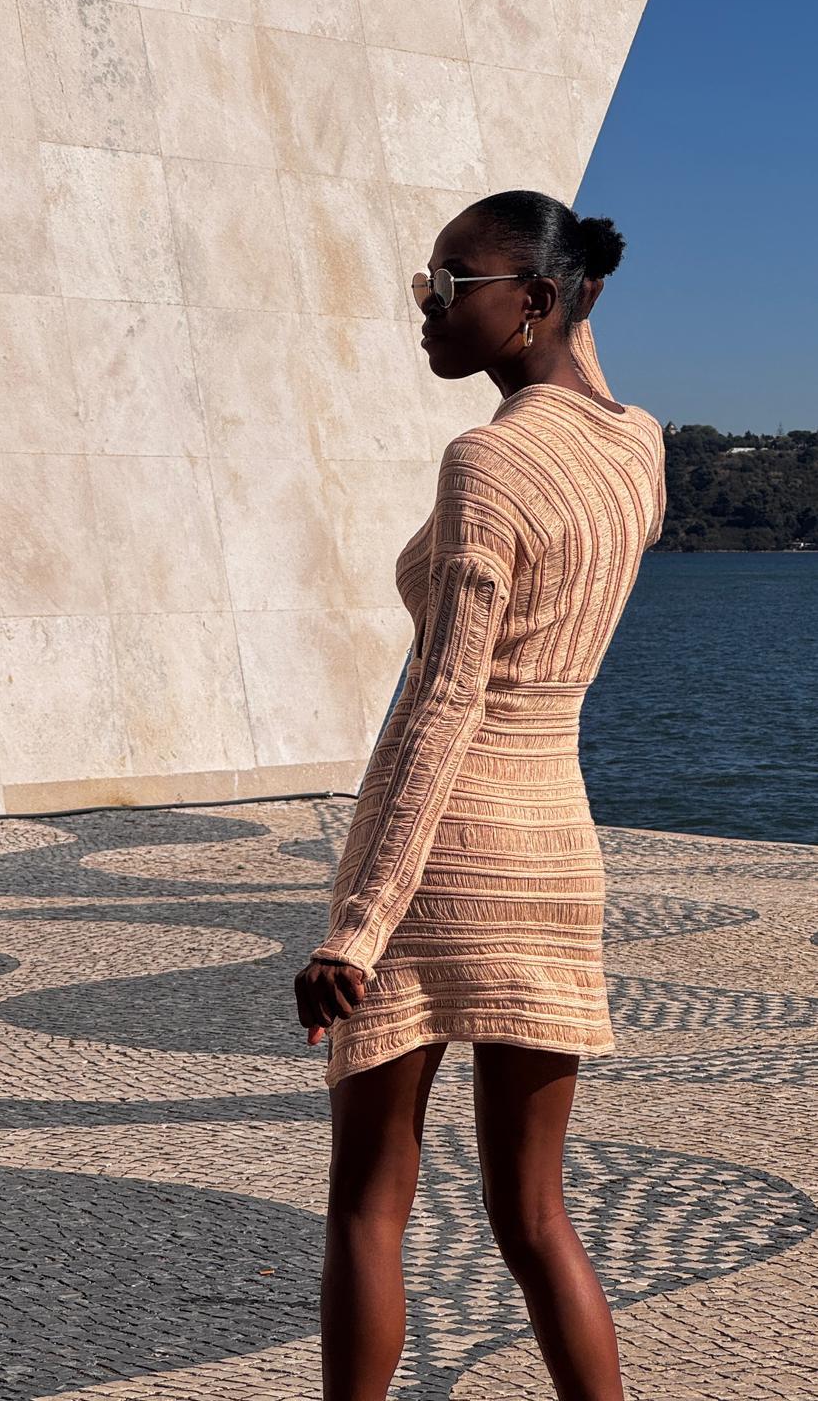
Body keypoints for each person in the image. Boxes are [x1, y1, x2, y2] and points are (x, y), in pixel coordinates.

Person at [293, 189, 666, 1401]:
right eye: (427, 284)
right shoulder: (639, 444)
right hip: (555, 849)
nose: (427, 307)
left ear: (536, 299)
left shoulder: (487, 460)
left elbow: (444, 700)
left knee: (368, 1206)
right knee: (536, 1213)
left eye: (452, 285)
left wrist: (357, 927)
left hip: (443, 854)